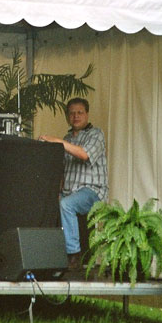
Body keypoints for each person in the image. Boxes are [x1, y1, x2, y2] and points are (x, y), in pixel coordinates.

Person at [39, 98, 108, 269]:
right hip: (70, 191)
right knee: (47, 203)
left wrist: (57, 141)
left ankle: (74, 255)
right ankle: (48, 255)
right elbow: (62, 170)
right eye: (71, 113)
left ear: (87, 114)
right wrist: (57, 191)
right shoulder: (68, 138)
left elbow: (84, 154)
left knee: (66, 204)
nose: (75, 116)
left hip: (92, 192)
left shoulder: (96, 134)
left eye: (79, 113)